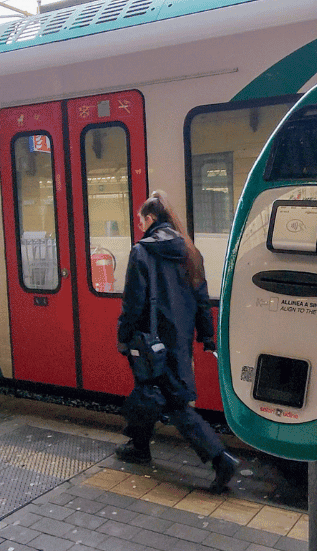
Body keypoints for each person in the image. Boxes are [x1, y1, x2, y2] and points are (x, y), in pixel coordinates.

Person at [116, 190, 239, 494]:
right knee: (149, 390)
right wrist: (206, 337)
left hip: (149, 340)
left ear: (151, 219)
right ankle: (139, 446)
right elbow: (201, 300)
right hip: (178, 341)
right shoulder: (189, 251)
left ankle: (220, 458)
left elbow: (133, 303)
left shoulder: (141, 252)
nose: (140, 225)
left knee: (173, 402)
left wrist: (123, 334)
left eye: (141, 219)